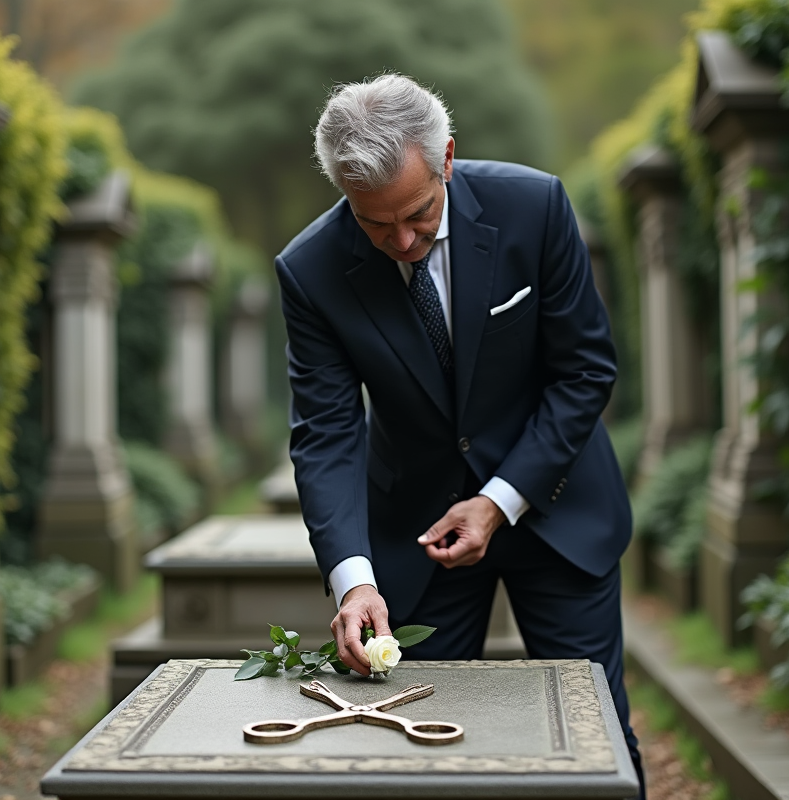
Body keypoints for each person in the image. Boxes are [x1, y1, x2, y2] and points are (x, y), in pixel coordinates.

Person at [275, 73, 642, 797]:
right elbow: (327, 433)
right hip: (417, 532)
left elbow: (585, 372)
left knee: (599, 738)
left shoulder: (534, 206)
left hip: (558, 508)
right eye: (376, 226)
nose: (402, 242)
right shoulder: (309, 270)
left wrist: (500, 501)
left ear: (447, 159)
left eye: (416, 215)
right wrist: (354, 581)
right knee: (410, 748)